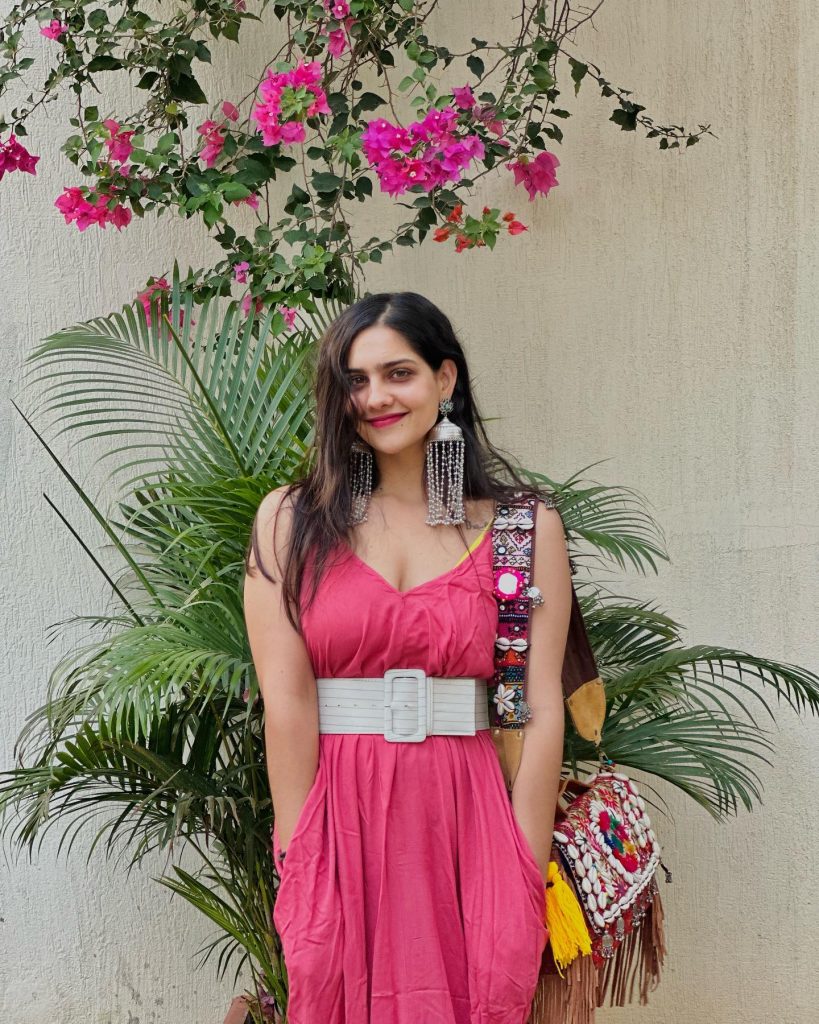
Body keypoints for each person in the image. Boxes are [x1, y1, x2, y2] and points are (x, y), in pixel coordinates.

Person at [242, 291, 573, 1024]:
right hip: (338, 816)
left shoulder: (522, 527)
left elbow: (538, 705)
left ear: (444, 380)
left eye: (398, 373)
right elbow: (287, 701)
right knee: (328, 984)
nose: (375, 397)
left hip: (471, 817)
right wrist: (298, 858)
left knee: (483, 993)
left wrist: (524, 859)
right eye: (355, 381)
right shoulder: (291, 521)